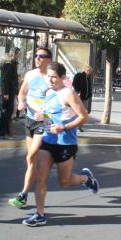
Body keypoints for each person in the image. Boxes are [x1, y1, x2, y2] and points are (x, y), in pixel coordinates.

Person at [22, 62, 98, 227]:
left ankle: (86, 178)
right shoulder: (48, 92)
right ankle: (40, 214)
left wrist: (63, 127)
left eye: (54, 77)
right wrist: (42, 120)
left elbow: (84, 117)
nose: (50, 80)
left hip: (66, 143)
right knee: (40, 178)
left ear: (63, 78)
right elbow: (50, 115)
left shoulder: (68, 94)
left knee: (64, 182)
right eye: (48, 77)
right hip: (48, 141)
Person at [8, 47, 52, 209]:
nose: (37, 58)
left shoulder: (51, 77)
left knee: (31, 156)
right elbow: (22, 93)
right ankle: (24, 196)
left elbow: (60, 99)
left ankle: (26, 194)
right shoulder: (30, 75)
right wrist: (21, 102)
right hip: (30, 120)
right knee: (31, 160)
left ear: (49, 59)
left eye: (41, 56)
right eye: (36, 56)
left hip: (44, 121)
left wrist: (47, 115)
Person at [0, 48, 20, 139]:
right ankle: (4, 133)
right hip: (8, 92)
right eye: (18, 54)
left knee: (9, 112)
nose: (19, 56)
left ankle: (7, 132)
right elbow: (5, 79)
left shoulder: (13, 63)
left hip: (11, 92)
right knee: (6, 113)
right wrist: (6, 93)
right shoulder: (8, 64)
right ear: (14, 54)